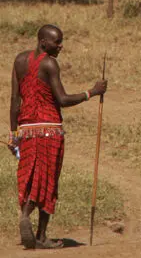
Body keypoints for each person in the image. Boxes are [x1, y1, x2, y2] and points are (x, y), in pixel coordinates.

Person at [8, 24, 107, 250]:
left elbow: (15, 100)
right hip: (50, 130)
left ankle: (25, 214)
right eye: (57, 42)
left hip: (27, 129)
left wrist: (14, 133)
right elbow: (62, 99)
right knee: (48, 181)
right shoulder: (49, 63)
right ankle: (41, 235)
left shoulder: (19, 60)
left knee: (31, 176)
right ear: (43, 42)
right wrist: (92, 92)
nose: (61, 46)